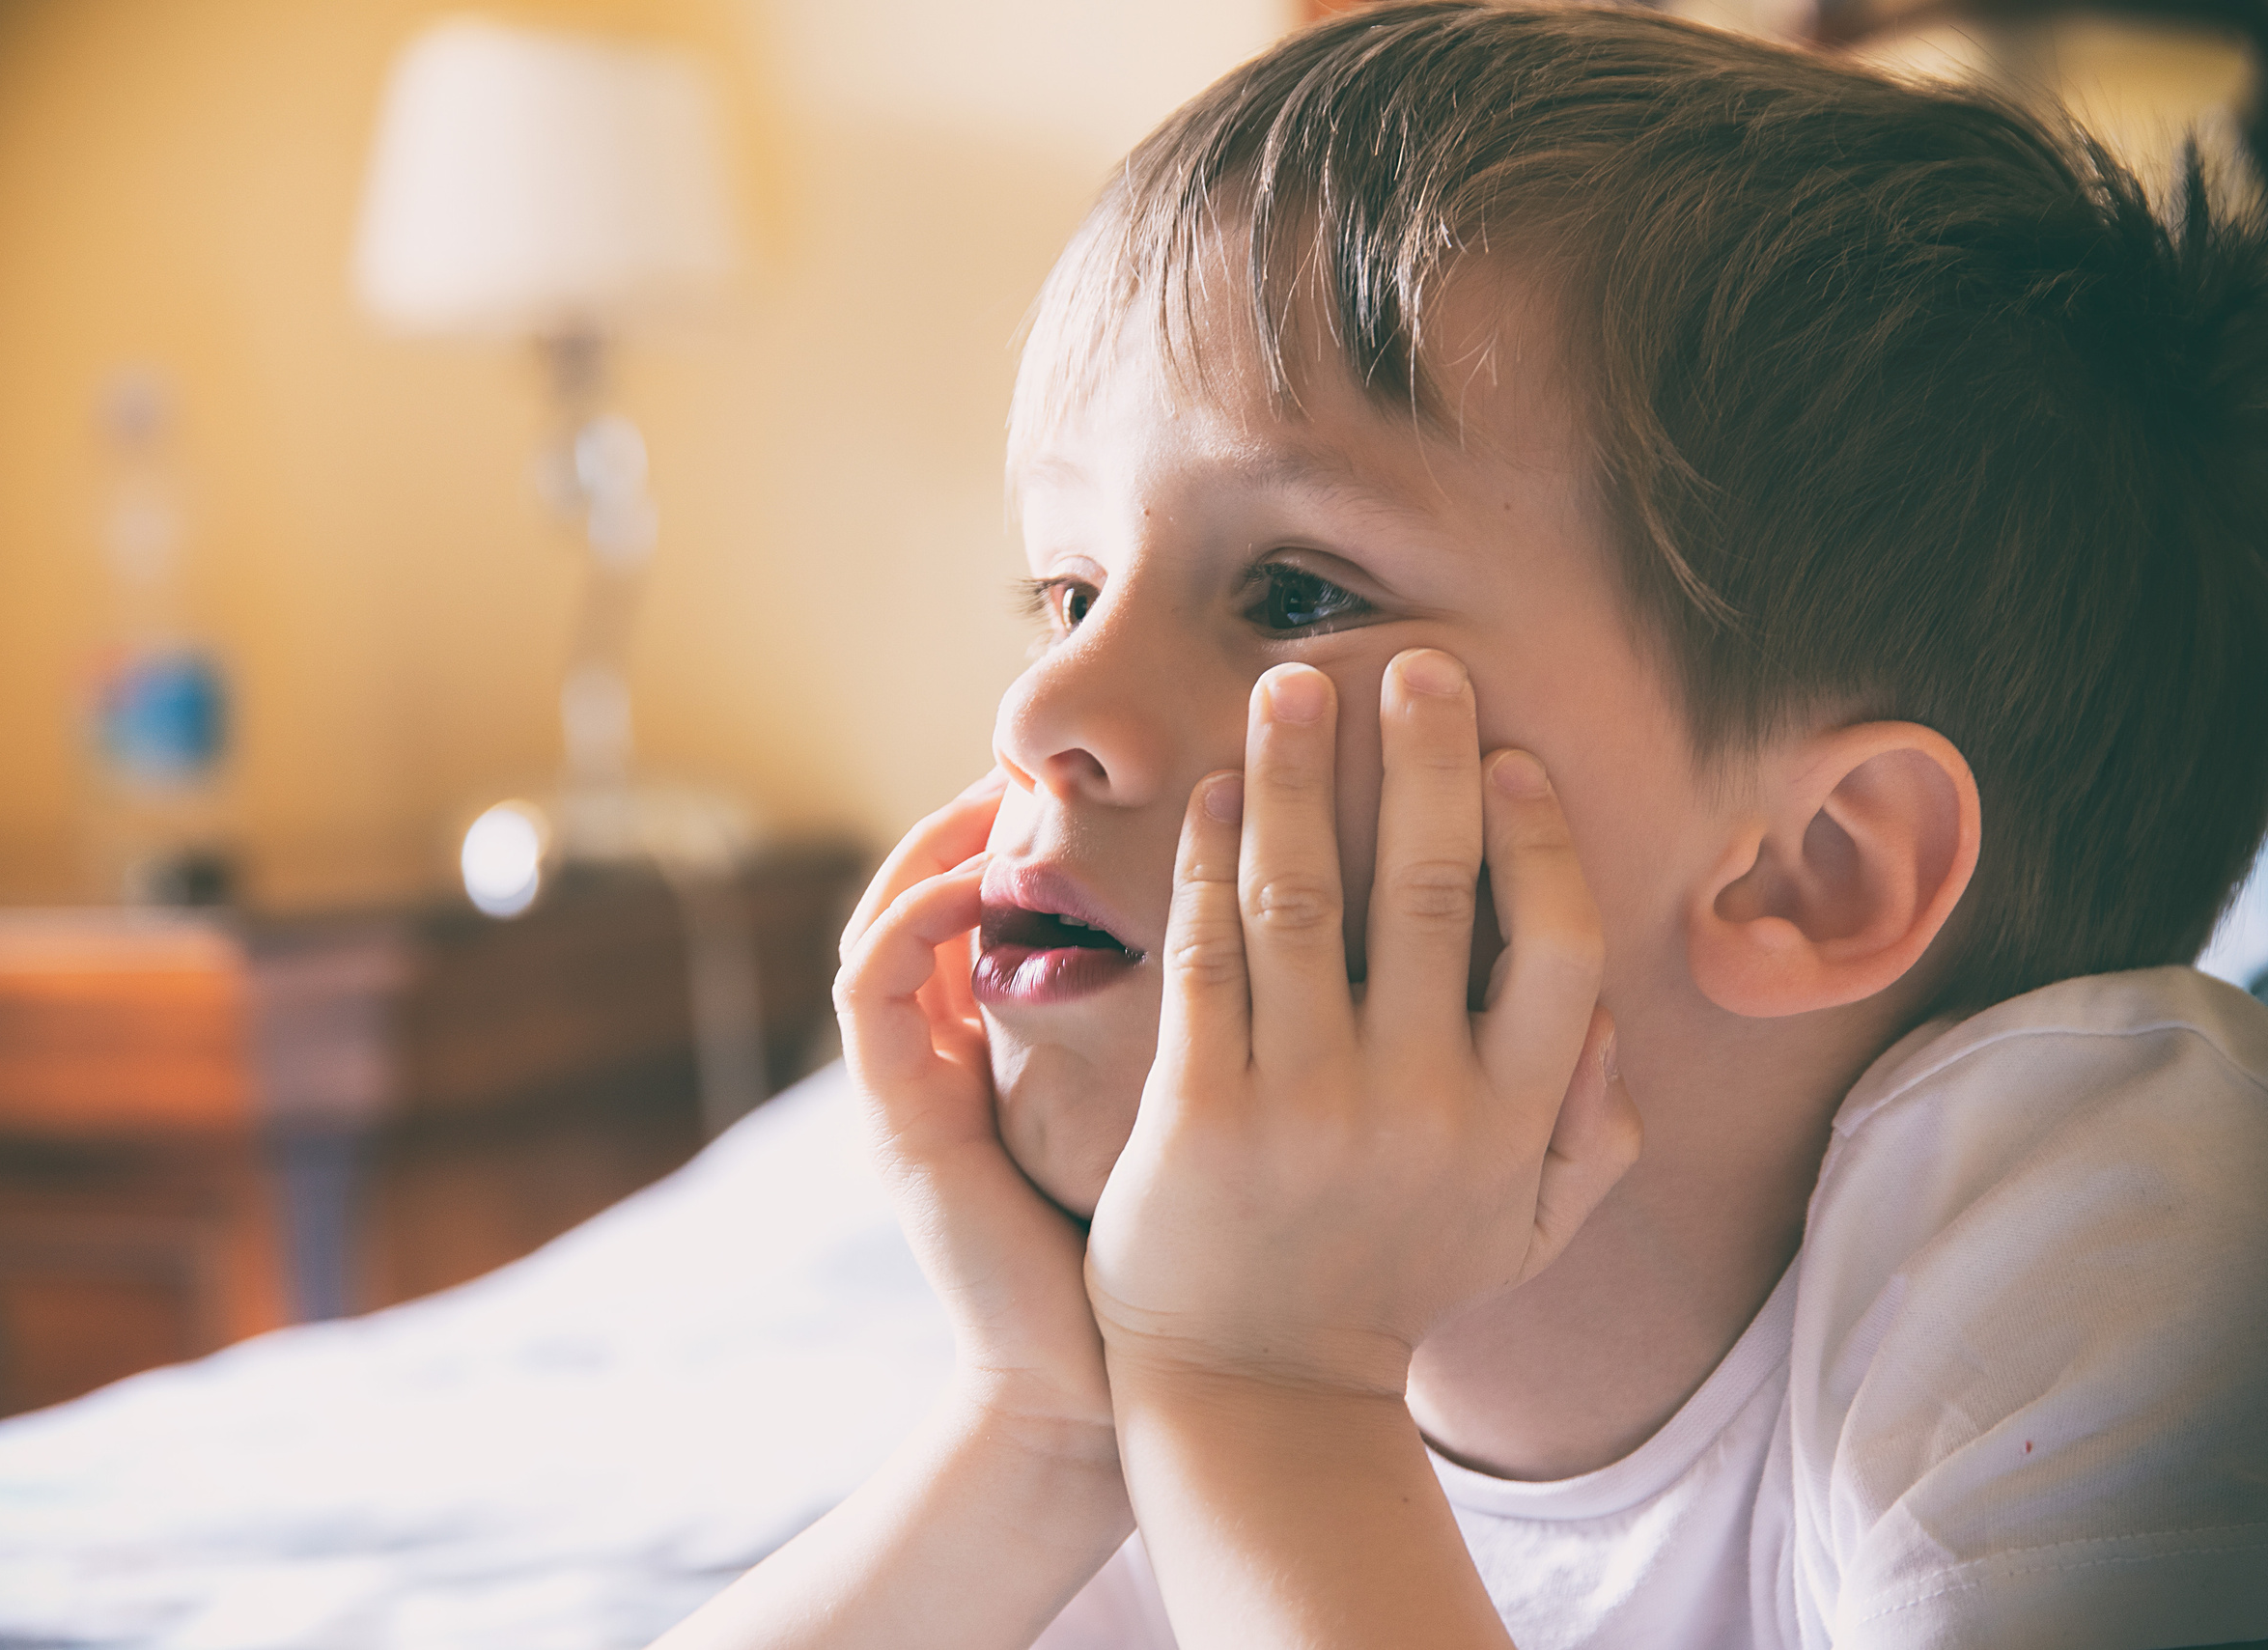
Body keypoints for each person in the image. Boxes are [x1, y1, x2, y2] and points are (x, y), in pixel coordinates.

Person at [658, 4, 2268, 1645]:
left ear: (1812, 867)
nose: (1042, 714)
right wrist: (1042, 1422)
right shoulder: (1176, 1319)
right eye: (1068, 592)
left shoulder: (2117, 1234)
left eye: (1295, 593)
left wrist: (1266, 1390)